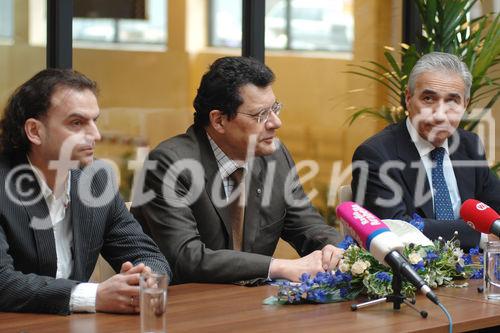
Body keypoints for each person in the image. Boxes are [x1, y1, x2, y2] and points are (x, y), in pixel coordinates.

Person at [131, 56, 343, 285]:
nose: (276, 122)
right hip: (185, 308)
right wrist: (280, 267)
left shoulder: (275, 157)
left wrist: (332, 249)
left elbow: (308, 226)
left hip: (254, 305)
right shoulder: (169, 164)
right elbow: (185, 257)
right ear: (219, 121)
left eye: (275, 109)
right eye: (261, 115)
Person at [0, 69, 171, 315]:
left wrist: (144, 279)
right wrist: (95, 296)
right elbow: (3, 283)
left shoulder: (96, 182)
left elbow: (147, 255)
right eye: (77, 123)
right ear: (35, 131)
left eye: (95, 121)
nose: (95, 135)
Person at [351, 52, 500, 249]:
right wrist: (481, 237)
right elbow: (396, 229)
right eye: (429, 99)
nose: (439, 115)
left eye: (452, 101)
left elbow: (494, 209)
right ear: (408, 98)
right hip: (411, 274)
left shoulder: (469, 145)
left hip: (474, 271)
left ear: (466, 104)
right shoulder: (375, 155)